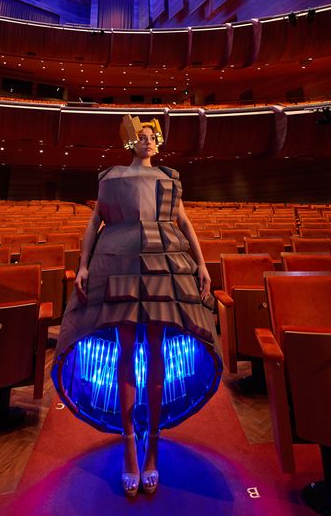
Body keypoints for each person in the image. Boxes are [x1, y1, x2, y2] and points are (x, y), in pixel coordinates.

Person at [52, 115, 222, 497]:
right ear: (131, 142)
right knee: (126, 349)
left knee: (158, 350)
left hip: (164, 261)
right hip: (120, 259)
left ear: (158, 143)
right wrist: (82, 265)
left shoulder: (170, 177)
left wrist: (203, 265)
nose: (147, 141)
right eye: (141, 136)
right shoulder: (110, 177)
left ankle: (154, 445)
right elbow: (95, 221)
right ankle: (130, 443)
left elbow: (183, 221)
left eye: (152, 137)